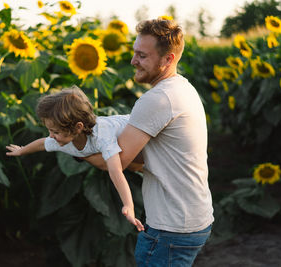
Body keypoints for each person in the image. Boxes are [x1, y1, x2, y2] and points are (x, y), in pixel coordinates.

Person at [82, 18, 214, 266]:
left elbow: (116, 162)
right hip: (193, 218)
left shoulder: (158, 99)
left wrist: (74, 147)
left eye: (142, 56)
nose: (133, 61)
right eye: (134, 53)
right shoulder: (183, 88)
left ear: (168, 59)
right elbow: (145, 159)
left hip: (171, 227)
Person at [5, 86, 144, 232]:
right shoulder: (65, 139)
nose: (51, 135)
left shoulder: (102, 136)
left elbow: (115, 172)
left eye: (55, 131)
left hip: (139, 127)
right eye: (50, 131)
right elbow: (42, 143)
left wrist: (128, 205)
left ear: (78, 127)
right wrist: (22, 150)